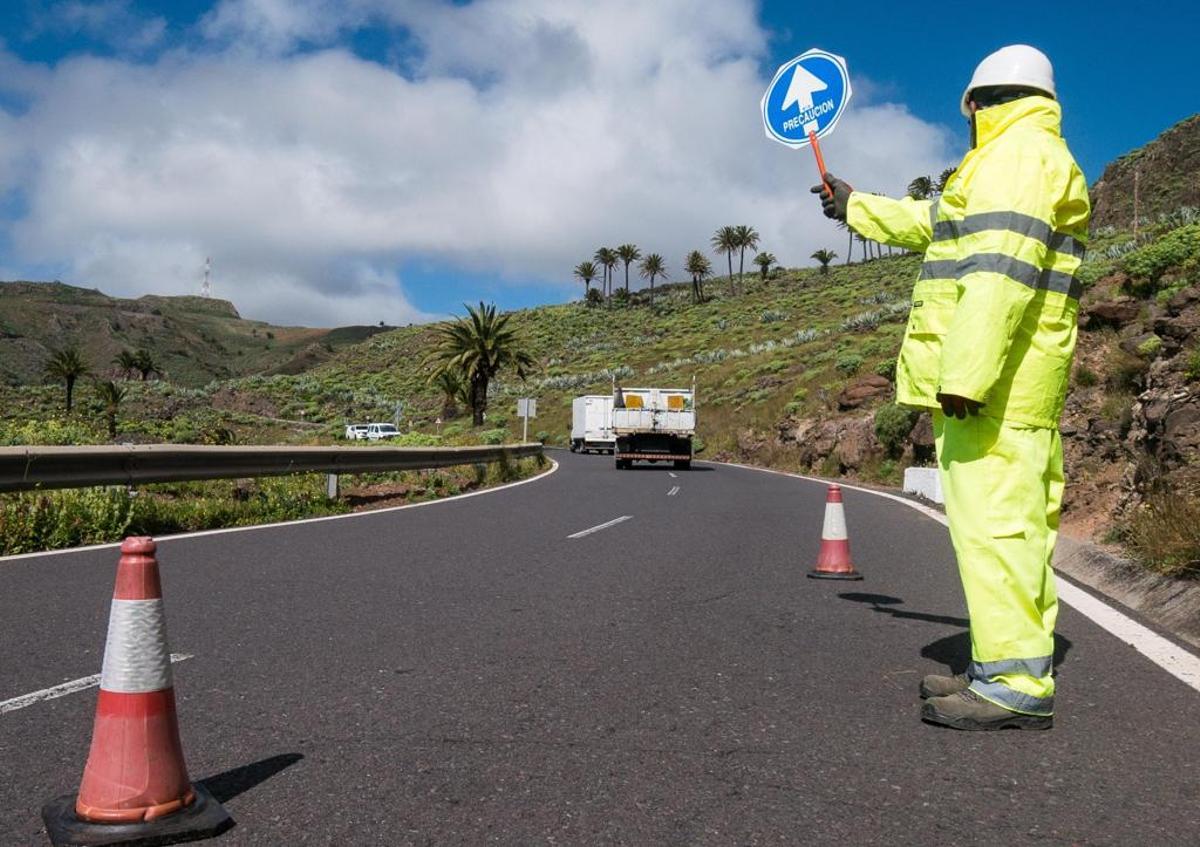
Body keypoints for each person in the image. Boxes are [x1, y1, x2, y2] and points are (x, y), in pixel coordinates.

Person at [811, 45, 1090, 730]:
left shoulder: (1015, 158)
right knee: (1011, 532)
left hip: (995, 388)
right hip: (1016, 387)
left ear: (981, 103)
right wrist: (856, 206)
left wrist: (967, 374)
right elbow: (937, 225)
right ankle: (1003, 667)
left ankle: (1014, 688)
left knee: (997, 532)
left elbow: (999, 271)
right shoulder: (1018, 159)